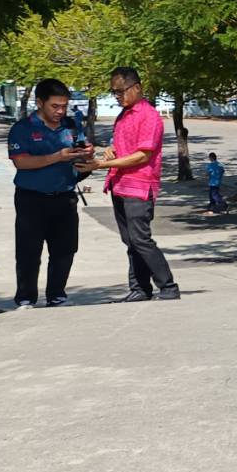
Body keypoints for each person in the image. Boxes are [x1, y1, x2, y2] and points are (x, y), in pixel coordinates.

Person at [79, 67, 179, 302]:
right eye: (113, 92)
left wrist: (99, 166)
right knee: (130, 241)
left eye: (120, 91)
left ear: (136, 88)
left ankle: (168, 286)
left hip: (139, 186)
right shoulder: (123, 116)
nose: (117, 96)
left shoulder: (149, 116)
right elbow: (123, 148)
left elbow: (143, 155)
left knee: (140, 239)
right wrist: (110, 152)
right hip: (119, 184)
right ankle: (140, 288)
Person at [8, 79, 92, 309]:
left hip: (64, 197)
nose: (60, 111)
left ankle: (57, 295)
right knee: (28, 252)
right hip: (31, 199)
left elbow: (80, 152)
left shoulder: (71, 125)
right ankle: (26, 298)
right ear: (40, 103)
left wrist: (86, 154)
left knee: (65, 250)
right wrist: (58, 156)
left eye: (64, 106)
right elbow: (21, 163)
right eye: (55, 106)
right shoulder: (23, 128)